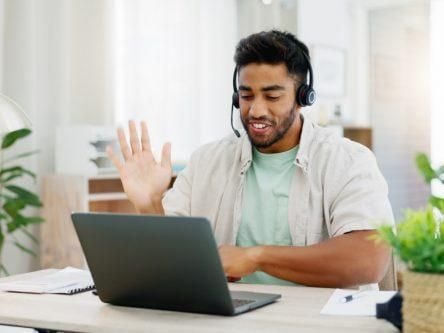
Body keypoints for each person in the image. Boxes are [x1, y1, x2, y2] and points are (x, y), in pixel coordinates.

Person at [107, 30, 394, 288]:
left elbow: (369, 260)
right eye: (246, 95)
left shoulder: (347, 160)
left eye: (272, 96)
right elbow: (172, 260)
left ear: (302, 97)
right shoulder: (208, 161)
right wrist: (149, 204)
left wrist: (257, 256)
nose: (256, 110)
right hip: (230, 321)